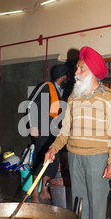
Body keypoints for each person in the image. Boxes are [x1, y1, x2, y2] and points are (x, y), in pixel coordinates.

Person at [45, 46, 111, 219]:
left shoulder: (109, 98)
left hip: (98, 157)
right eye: (77, 69)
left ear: (93, 73)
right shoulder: (73, 97)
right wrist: (54, 148)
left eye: (80, 69)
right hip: (74, 156)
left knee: (97, 204)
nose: (76, 73)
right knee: (81, 202)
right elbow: (65, 130)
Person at [29, 63, 68, 203]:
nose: (68, 79)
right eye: (67, 76)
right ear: (62, 77)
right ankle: (34, 195)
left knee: (51, 162)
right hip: (43, 130)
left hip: (54, 132)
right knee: (40, 163)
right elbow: (32, 105)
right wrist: (33, 126)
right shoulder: (46, 87)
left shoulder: (60, 91)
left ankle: (44, 191)